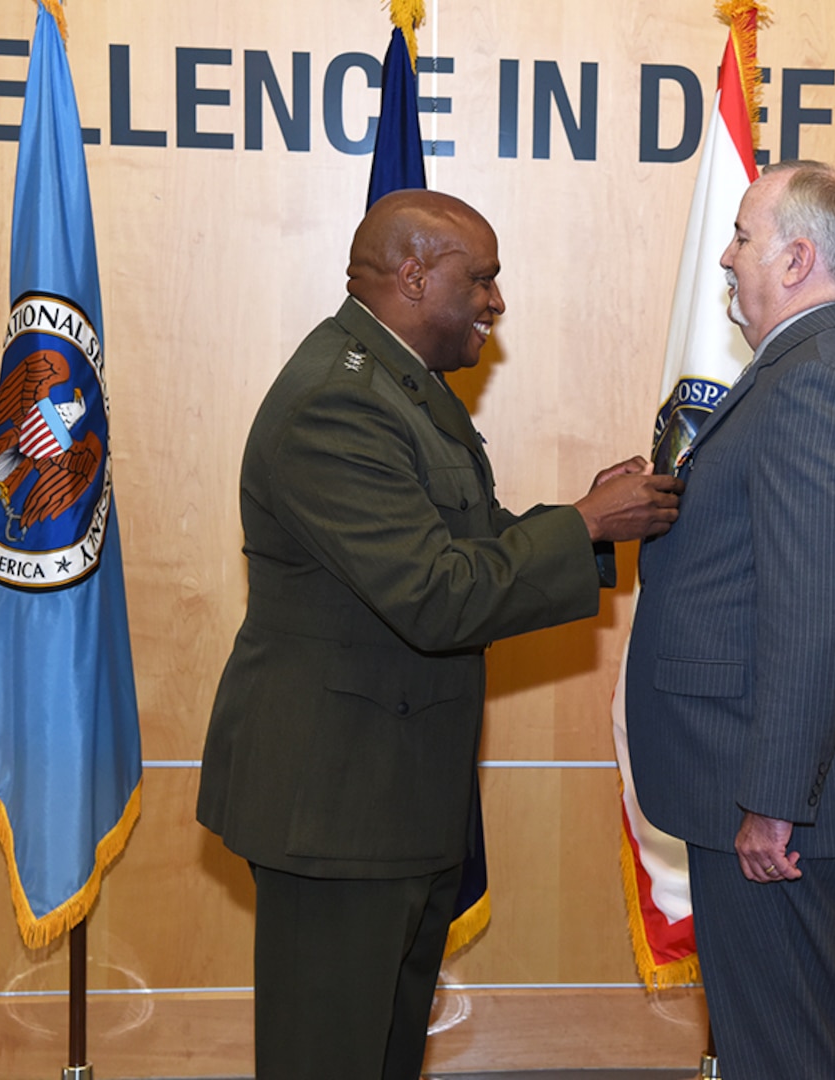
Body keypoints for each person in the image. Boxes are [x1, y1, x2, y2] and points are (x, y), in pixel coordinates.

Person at [196, 188, 682, 1080]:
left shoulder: (399, 388)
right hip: (335, 809)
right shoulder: (335, 406)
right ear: (415, 275)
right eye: (483, 279)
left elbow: (467, 536)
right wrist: (579, 525)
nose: (497, 304)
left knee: (382, 1060)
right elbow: (433, 594)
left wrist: (595, 522)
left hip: (390, 801)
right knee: (329, 1061)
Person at [626, 161, 835, 1078]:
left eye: (742, 237)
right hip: (760, 782)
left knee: (787, 1058)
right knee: (774, 1050)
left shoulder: (814, 383)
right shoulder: (801, 369)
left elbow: (812, 615)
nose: (726, 254)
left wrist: (775, 806)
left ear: (794, 260)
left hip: (781, 804)